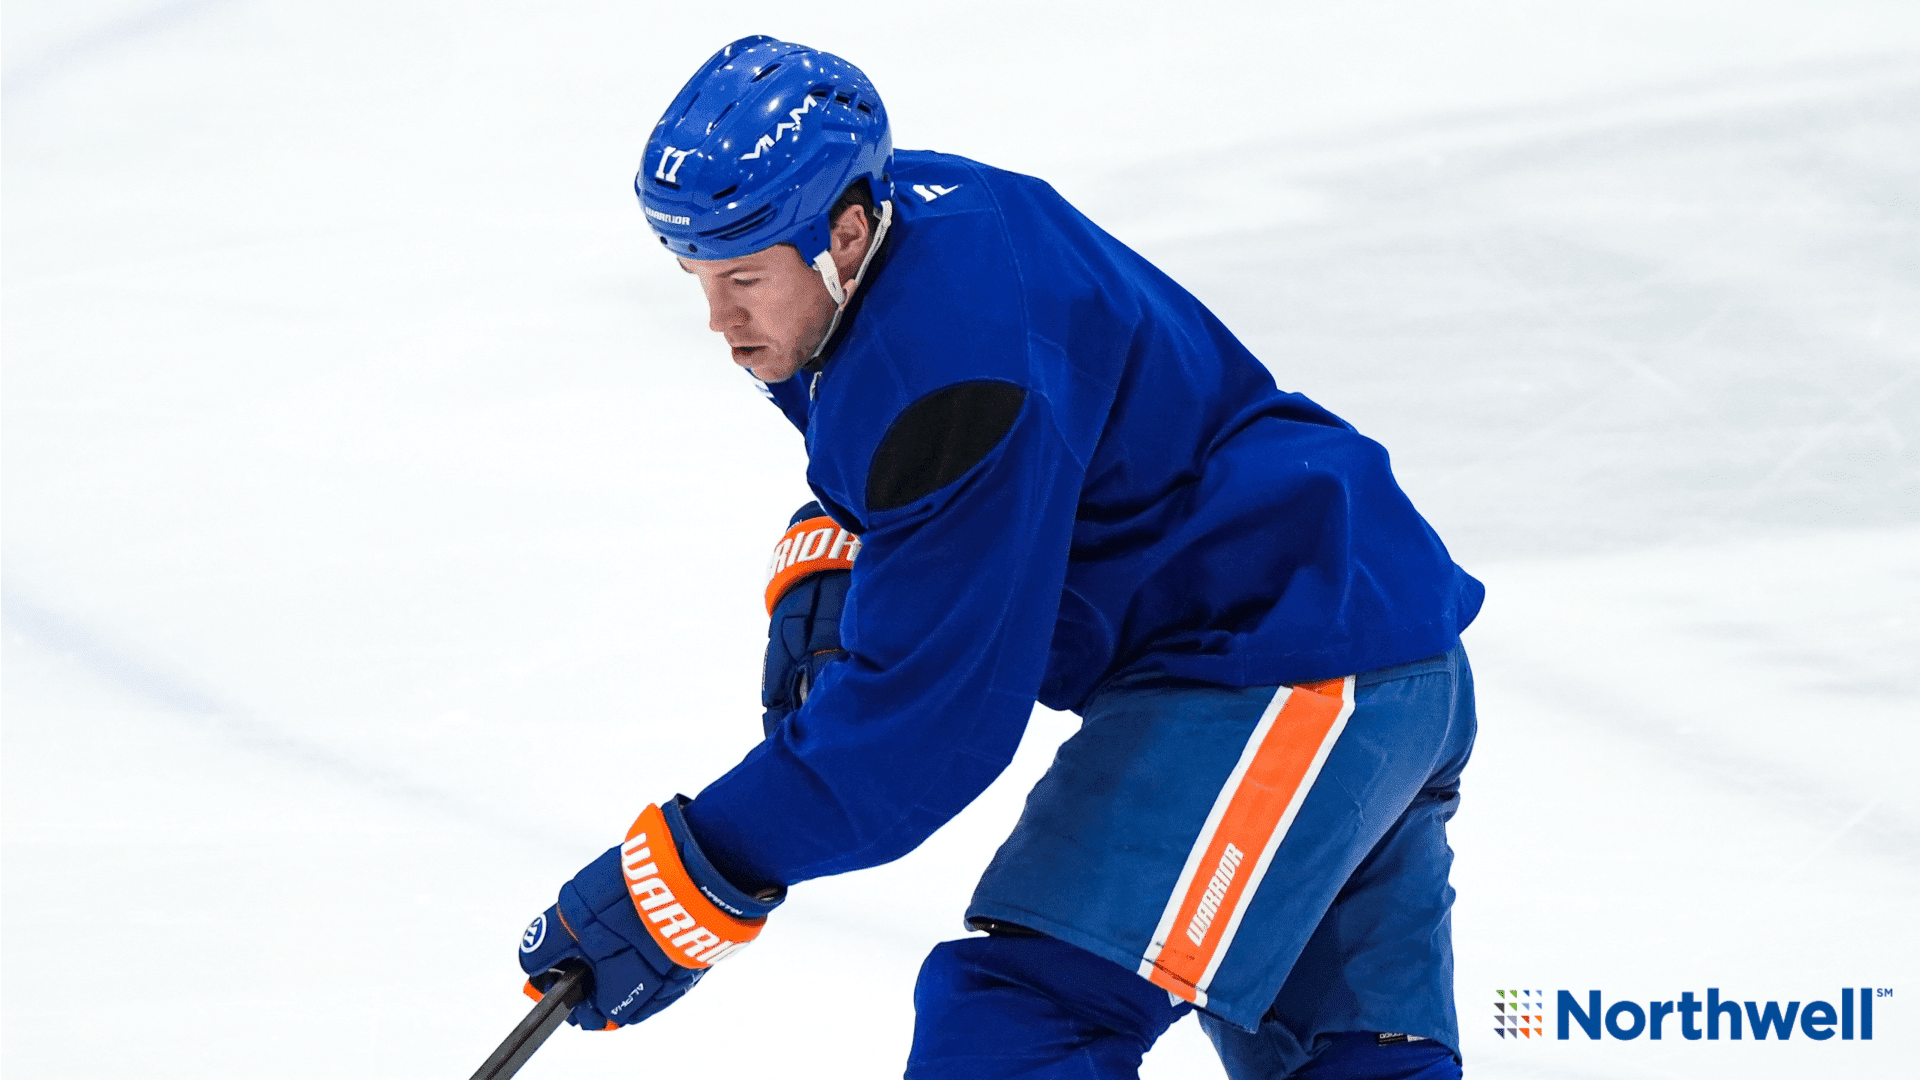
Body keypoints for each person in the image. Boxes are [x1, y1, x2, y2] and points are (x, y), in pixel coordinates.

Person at [513, 36, 1483, 1080]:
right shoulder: (910, 223)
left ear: (841, 235)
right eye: (695, 275)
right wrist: (838, 552)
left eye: (743, 277)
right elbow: (940, 452)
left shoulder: (953, 372)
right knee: (1342, 1064)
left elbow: (928, 736)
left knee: (1017, 1031)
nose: (719, 321)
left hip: (1282, 668)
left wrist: (695, 873)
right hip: (1364, 657)